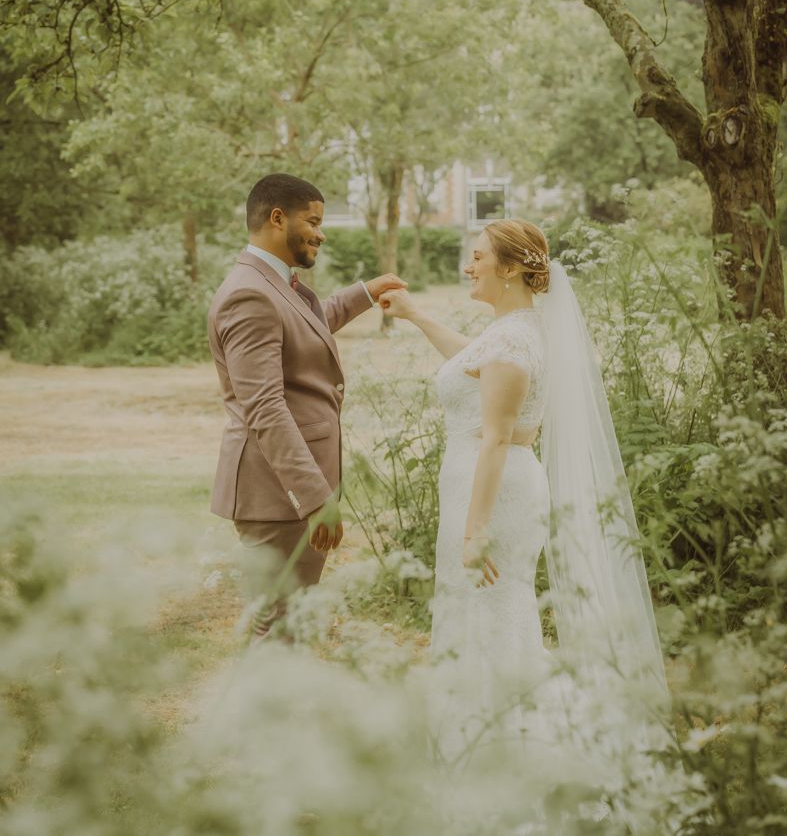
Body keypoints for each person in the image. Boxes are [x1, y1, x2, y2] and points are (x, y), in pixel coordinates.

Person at [380, 218, 667, 759]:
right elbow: (472, 366)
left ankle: (498, 753)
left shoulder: (512, 340)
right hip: (488, 488)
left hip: (491, 497)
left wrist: (475, 530)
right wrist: (418, 315)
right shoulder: (511, 331)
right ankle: (480, 741)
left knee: (488, 613)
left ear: (509, 268)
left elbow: (496, 438)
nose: (469, 266)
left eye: (479, 257)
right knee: (481, 612)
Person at [208, 173, 406, 637]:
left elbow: (307, 327)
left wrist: (365, 292)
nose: (321, 232)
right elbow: (265, 407)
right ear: (278, 218)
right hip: (279, 496)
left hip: (285, 493)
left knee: (286, 625)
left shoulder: (272, 284)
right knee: (279, 629)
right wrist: (315, 496)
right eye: (313, 221)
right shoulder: (249, 293)